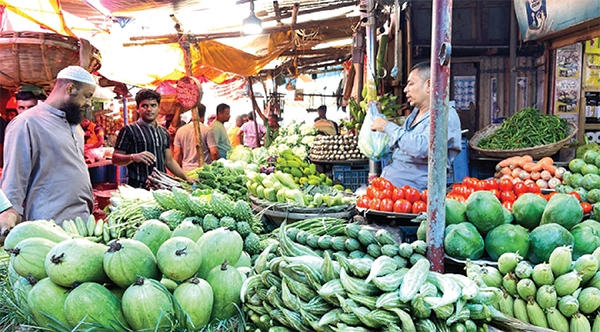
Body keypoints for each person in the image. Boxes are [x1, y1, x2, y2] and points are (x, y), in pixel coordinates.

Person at [1, 66, 96, 224]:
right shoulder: (26, 122)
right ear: (70, 89)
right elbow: (13, 180)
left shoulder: (76, 127)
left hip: (82, 222)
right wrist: (9, 216)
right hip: (49, 226)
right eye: (86, 96)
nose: (88, 103)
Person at [371, 62, 462, 191]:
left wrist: (388, 126)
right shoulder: (414, 115)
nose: (405, 89)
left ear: (429, 85)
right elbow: (403, 143)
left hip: (414, 196)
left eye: (411, 84)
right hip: (390, 192)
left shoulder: (444, 115)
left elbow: (423, 147)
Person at [112, 89, 194, 188]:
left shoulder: (163, 132)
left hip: (161, 188)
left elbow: (169, 161)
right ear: (137, 108)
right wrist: (133, 157)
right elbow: (115, 159)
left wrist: (187, 178)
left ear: (159, 108)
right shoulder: (129, 130)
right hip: (138, 189)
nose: (149, 109)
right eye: (144, 106)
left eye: (153, 105)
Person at [173, 104, 219, 171]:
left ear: (192, 114)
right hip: (204, 171)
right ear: (203, 114)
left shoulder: (180, 130)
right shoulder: (207, 130)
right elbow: (214, 152)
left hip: (186, 171)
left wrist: (175, 172)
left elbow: (176, 153)